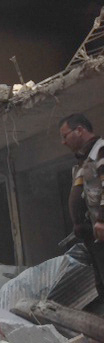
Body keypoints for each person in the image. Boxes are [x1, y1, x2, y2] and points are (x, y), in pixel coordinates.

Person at [59, 113, 104, 296]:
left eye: (64, 136)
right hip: (94, 238)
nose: (63, 142)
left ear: (79, 130)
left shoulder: (100, 151)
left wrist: (101, 219)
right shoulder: (83, 162)